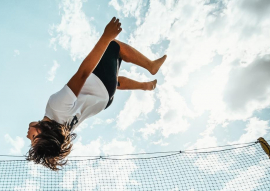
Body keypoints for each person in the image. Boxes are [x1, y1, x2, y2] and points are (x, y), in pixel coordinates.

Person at [26, 17, 167, 171]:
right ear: (45, 131)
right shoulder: (56, 107)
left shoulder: (63, 131)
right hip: (101, 84)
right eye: (33, 138)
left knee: (116, 81)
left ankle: (145, 86)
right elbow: (82, 74)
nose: (28, 136)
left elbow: (52, 146)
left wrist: (49, 153)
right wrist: (106, 37)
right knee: (114, 47)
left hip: (104, 100)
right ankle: (151, 66)